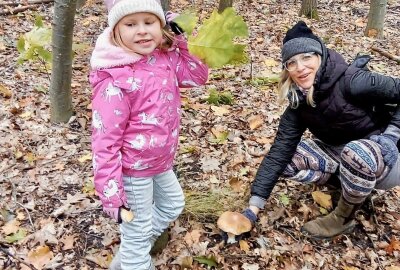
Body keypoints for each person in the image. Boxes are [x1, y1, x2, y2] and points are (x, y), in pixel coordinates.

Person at [234, 21, 400, 239]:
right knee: (291, 159)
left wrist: (392, 134)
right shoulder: (299, 104)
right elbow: (279, 154)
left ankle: (343, 218)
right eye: (291, 63)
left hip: (387, 156)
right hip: (347, 154)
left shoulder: (353, 81)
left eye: (306, 57)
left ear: (320, 55)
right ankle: (352, 191)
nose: (300, 67)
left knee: (356, 152)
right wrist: (253, 208)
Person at [89, 0, 208, 269]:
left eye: (149, 22)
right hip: (133, 172)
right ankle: (135, 258)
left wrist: (181, 39)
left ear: (160, 24)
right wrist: (112, 195)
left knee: (172, 204)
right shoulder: (115, 78)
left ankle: (129, 256)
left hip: (161, 162)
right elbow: (104, 142)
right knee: (137, 234)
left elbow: (197, 76)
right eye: (131, 24)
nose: (142, 31)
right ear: (115, 31)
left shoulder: (164, 58)